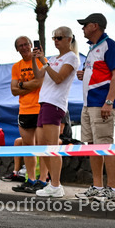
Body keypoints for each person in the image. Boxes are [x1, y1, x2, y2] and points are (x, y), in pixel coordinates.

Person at [76, 13, 115, 201]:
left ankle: (112, 189)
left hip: (102, 104)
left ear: (95, 26)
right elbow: (100, 72)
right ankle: (97, 186)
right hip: (88, 104)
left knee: (105, 145)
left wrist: (109, 102)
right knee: (91, 145)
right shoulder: (93, 48)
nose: (82, 28)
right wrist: (85, 73)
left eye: (85, 25)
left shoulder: (109, 45)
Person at [31, 26, 81, 198]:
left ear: (69, 39)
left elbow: (59, 78)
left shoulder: (72, 58)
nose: (56, 40)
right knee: (41, 146)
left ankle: (56, 184)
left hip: (55, 104)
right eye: (54, 37)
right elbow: (39, 76)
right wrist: (34, 59)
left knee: (52, 146)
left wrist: (44, 61)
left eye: (59, 37)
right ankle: (53, 183)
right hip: (45, 102)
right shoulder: (53, 58)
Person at [8, 36, 47, 190]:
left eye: (26, 44)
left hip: (39, 108)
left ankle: (43, 180)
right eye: (20, 45)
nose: (24, 47)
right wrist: (29, 85)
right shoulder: (16, 66)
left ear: (31, 45)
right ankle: (30, 179)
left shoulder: (40, 60)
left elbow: (40, 82)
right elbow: (13, 90)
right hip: (24, 110)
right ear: (17, 49)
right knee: (27, 147)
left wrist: (22, 85)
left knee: (42, 147)